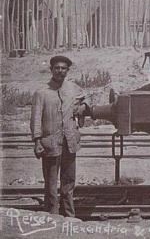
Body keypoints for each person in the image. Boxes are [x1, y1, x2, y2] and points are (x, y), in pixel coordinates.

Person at [30, 55, 89, 217]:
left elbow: (85, 101)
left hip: (70, 141)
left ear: (67, 71)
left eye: (63, 68)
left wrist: (83, 107)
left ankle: (69, 215)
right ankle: (52, 216)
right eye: (57, 68)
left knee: (69, 181)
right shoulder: (41, 92)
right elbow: (35, 119)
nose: (60, 71)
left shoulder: (73, 89)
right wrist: (37, 141)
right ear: (51, 70)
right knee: (50, 182)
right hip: (50, 143)